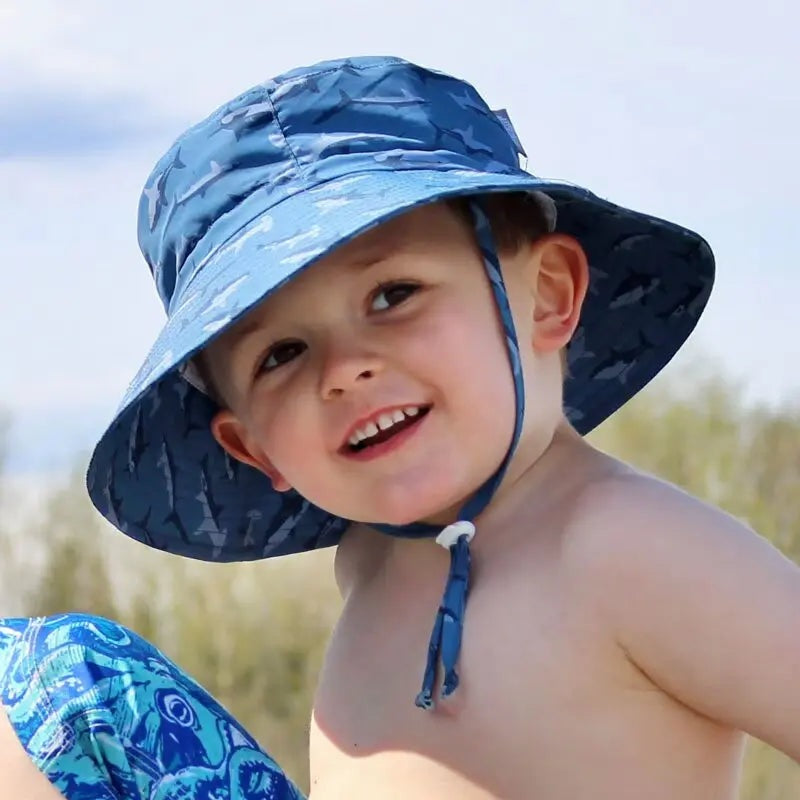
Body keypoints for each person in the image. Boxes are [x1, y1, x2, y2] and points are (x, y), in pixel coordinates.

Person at [2, 55, 799, 799]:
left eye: (392, 296)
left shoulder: (626, 544)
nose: (344, 370)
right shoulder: (375, 561)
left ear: (547, 296)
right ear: (253, 447)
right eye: (281, 353)